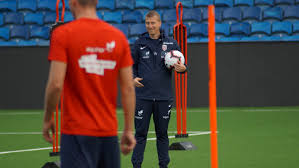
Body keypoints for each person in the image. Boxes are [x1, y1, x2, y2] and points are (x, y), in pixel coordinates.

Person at [42, 0, 136, 167]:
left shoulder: (63, 34)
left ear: (73, 3)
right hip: (108, 133)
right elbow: (128, 88)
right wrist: (128, 129)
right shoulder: (118, 37)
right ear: (97, 2)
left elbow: (56, 84)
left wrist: (48, 117)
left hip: (75, 132)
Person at [131, 10, 187, 168]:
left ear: (159, 23)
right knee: (140, 134)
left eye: (153, 23)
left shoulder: (171, 44)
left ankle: (164, 165)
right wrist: (132, 78)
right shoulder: (139, 43)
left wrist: (182, 68)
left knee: (162, 134)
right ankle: (136, 165)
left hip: (163, 97)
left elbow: (183, 66)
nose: (150, 26)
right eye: (147, 23)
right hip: (143, 97)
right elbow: (130, 65)